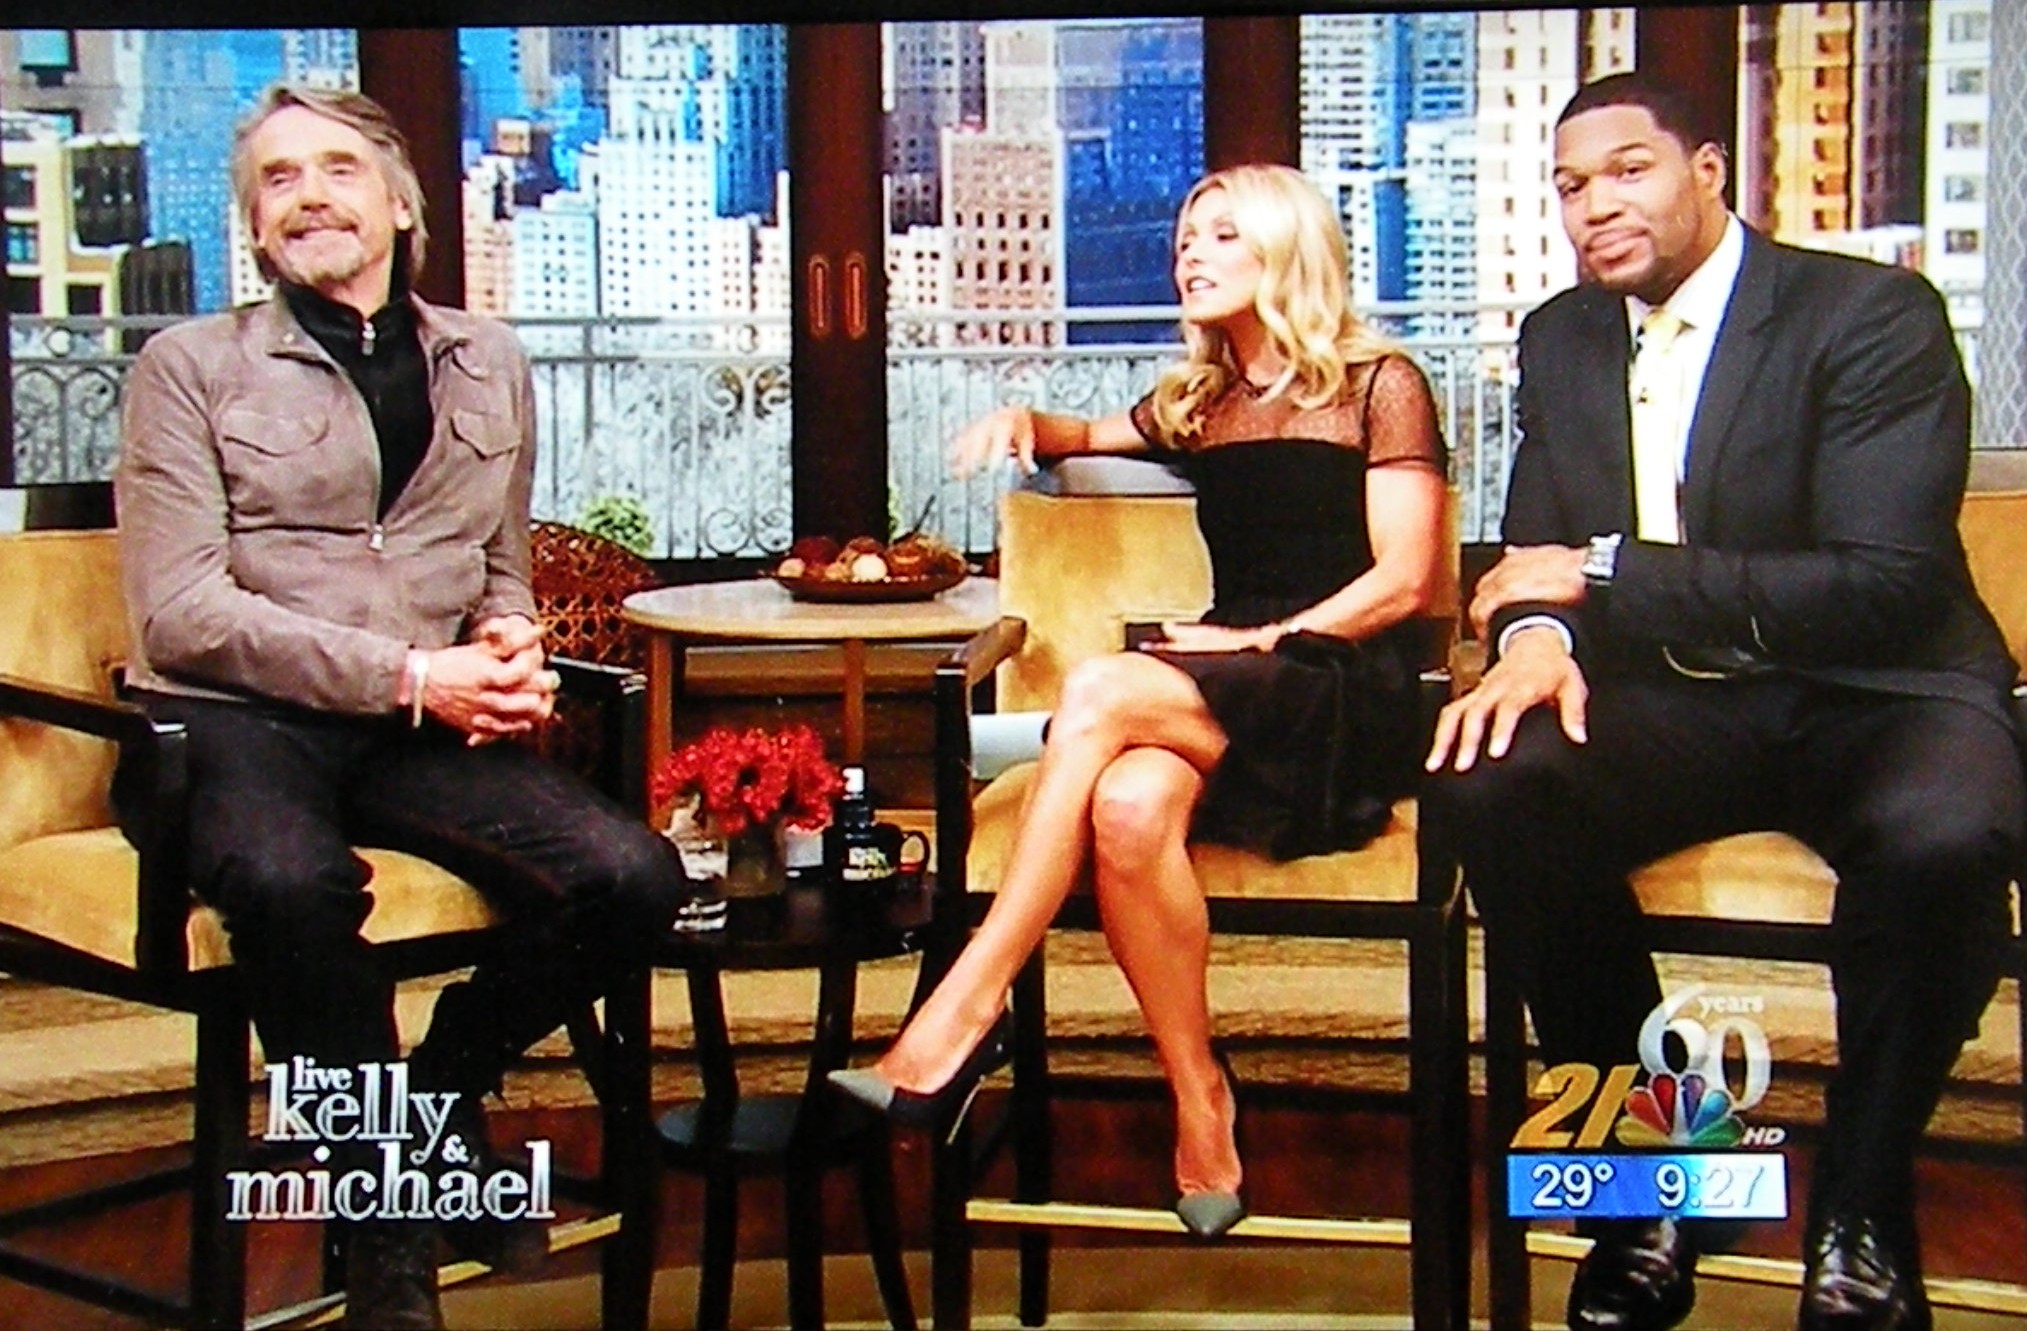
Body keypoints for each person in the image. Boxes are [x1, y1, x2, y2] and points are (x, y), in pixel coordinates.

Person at [1425, 72, 2023, 1331]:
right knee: (1492, 782)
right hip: (1684, 698)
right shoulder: (1560, 335)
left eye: (1626, 170)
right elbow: (1535, 545)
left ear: (1707, 170)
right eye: (1569, 186)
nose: (1594, 206)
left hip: (1881, 689)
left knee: (1944, 838)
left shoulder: (1867, 312)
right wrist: (1533, 637)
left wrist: (1603, 575)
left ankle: (1860, 1202)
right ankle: (1658, 1175)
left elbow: (1879, 581)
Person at [114, 85, 686, 1329]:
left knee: (632, 875)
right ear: (254, 225)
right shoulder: (187, 369)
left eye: (336, 170)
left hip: (411, 725)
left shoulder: (489, 358)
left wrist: (509, 635)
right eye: (278, 180)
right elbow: (180, 613)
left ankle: (432, 1098)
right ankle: (387, 1233)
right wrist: (412, 674)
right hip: (227, 720)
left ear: (400, 204)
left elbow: (498, 558)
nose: (308, 197)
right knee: (290, 883)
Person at [829, 163, 1449, 1239]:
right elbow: (1080, 436)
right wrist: (1022, 417)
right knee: (1125, 807)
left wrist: (1253, 641)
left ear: (1284, 246)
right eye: (1183, 239)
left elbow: (1404, 581)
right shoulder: (1199, 403)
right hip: (1231, 682)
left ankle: (966, 1000)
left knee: (1104, 683)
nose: (1189, 254)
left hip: (1344, 681)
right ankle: (1200, 1093)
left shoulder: (1376, 382)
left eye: (1220, 235)